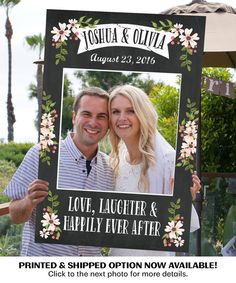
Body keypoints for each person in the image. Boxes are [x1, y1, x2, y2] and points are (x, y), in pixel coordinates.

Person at [4, 87, 114, 256]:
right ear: (74, 117)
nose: (93, 122)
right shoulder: (42, 154)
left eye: (101, 116)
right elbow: (15, 214)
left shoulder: (111, 168)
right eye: (86, 114)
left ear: (108, 124)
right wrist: (28, 201)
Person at [108, 84, 201, 256]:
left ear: (143, 114)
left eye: (131, 111)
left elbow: (180, 230)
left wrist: (184, 202)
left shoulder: (169, 161)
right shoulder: (115, 160)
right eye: (115, 111)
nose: (122, 118)